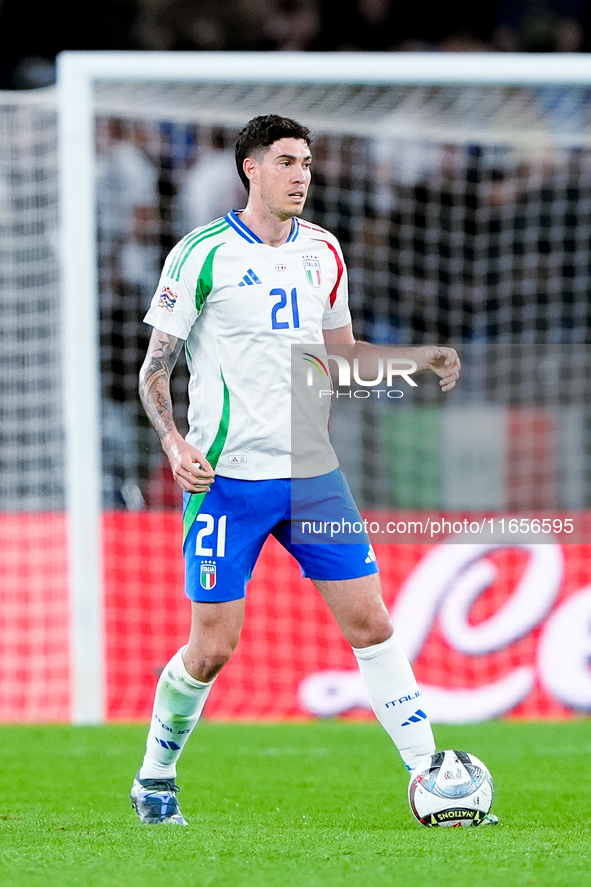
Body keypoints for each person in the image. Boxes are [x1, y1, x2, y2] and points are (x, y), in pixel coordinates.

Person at [130, 114, 461, 825]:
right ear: (250, 169)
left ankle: (432, 776)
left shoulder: (325, 253)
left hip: (313, 474)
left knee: (370, 621)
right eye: (286, 162)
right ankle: (155, 774)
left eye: (306, 162)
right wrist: (172, 444)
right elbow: (153, 372)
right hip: (226, 479)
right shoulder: (201, 254)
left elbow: (341, 355)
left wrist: (416, 358)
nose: (301, 175)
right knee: (213, 647)